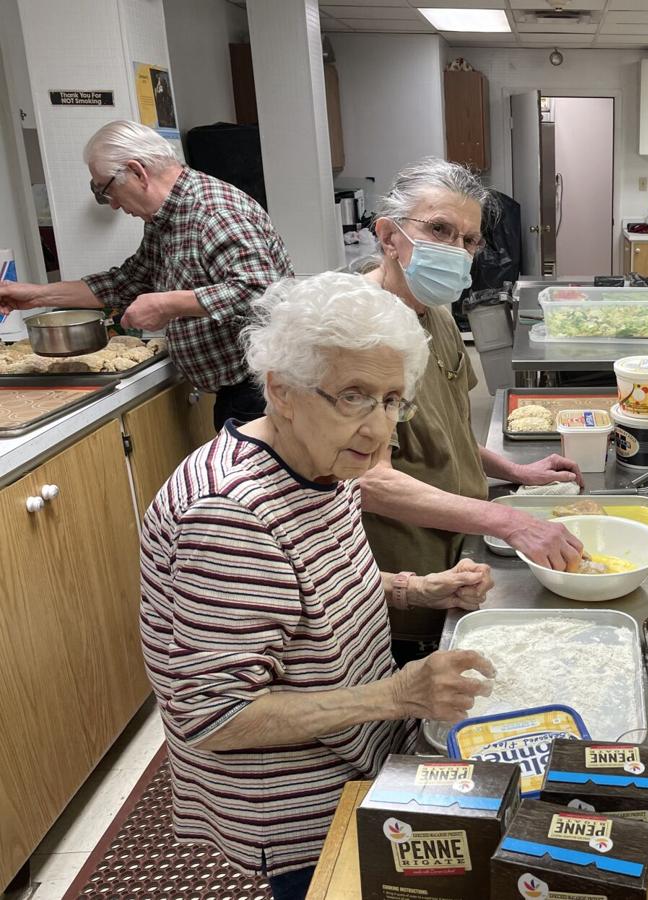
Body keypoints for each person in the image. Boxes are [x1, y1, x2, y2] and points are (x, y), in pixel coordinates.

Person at [139, 273, 496, 900]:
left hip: (360, 753)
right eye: (353, 396)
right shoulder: (229, 518)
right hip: (300, 805)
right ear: (281, 392)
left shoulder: (323, 463)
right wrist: (395, 695)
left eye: (392, 399)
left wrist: (415, 590)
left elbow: (308, 588)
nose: (379, 428)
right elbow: (213, 717)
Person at [353, 158, 584, 662]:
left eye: (468, 239)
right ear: (389, 237)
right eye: (439, 229)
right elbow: (369, 482)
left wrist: (514, 470)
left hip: (461, 553)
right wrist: (505, 522)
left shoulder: (433, 314)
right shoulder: (359, 333)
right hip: (406, 583)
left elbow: (450, 431)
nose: (456, 251)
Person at [0, 120, 292, 428]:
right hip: (238, 391)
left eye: (106, 189)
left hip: (261, 392)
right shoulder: (164, 219)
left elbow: (260, 291)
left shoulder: (213, 212)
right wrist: (35, 296)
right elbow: (126, 282)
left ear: (138, 172)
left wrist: (166, 304)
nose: (111, 204)